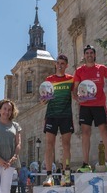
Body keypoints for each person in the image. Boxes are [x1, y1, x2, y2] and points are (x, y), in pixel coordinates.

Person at [73, 45, 107, 173]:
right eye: (87, 53)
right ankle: (85, 164)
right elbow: (75, 90)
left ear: (94, 55)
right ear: (84, 56)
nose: (89, 55)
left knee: (104, 131)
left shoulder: (101, 68)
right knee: (85, 134)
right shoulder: (79, 71)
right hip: (85, 107)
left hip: (99, 105)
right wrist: (77, 98)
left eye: (91, 53)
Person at [41, 54, 74, 186]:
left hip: (66, 115)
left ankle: (66, 176)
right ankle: (49, 176)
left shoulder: (71, 79)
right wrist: (43, 100)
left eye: (62, 64)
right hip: (51, 115)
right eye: (58, 63)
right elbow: (43, 100)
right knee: (49, 145)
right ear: (56, 64)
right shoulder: (49, 80)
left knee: (66, 145)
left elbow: (76, 94)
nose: (60, 65)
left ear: (66, 65)